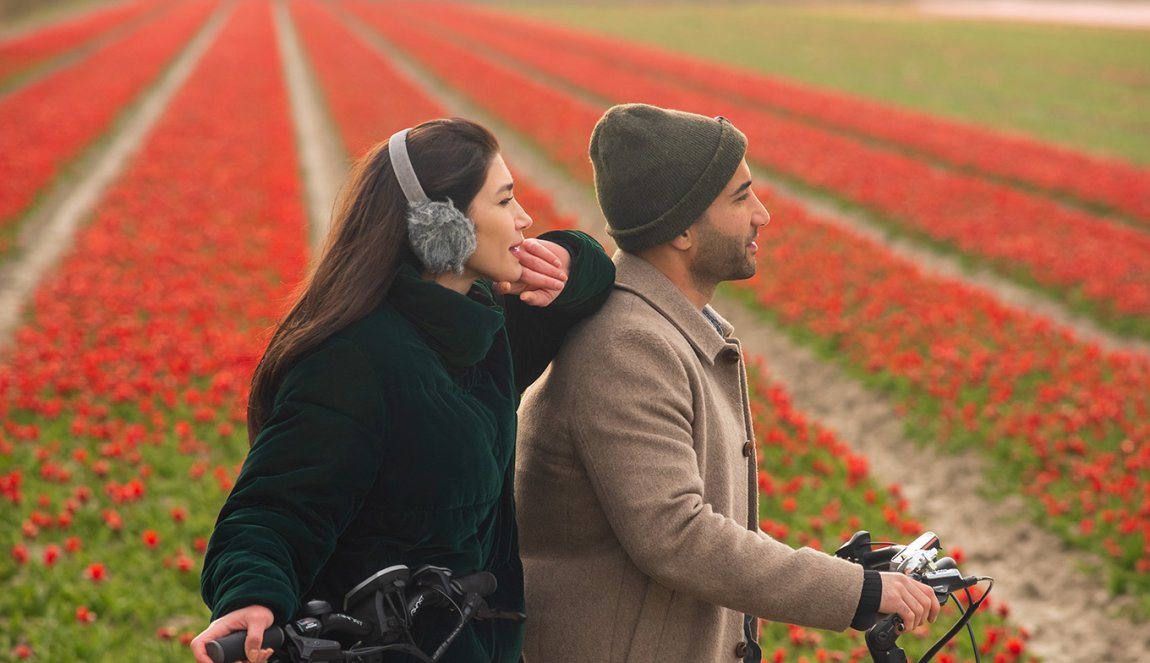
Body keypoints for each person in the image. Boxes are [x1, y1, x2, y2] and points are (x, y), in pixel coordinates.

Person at [514, 104, 939, 663]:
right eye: (741, 198)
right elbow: (677, 536)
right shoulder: (628, 346)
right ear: (682, 230)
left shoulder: (672, 328)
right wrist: (854, 592)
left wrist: (848, 575)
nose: (762, 214)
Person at [189, 118, 614, 663]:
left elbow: (594, 279)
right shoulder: (354, 359)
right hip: (381, 645)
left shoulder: (484, 327)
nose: (525, 219)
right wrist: (251, 596)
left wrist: (567, 264)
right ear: (445, 226)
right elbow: (278, 507)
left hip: (475, 644)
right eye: (505, 201)